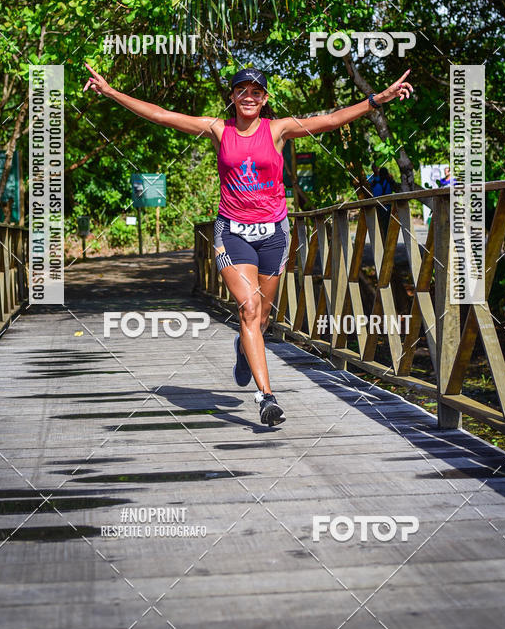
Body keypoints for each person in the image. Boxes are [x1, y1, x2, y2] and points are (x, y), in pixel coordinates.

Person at [83, 63, 414, 426]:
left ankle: (244, 347)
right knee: (249, 310)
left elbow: (332, 121)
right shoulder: (218, 129)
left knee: (262, 318)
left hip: (274, 233)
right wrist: (111, 92)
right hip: (232, 232)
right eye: (242, 90)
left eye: (256, 92)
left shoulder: (278, 130)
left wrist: (376, 100)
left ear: (265, 98)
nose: (249, 97)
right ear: (232, 96)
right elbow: (162, 116)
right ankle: (266, 397)